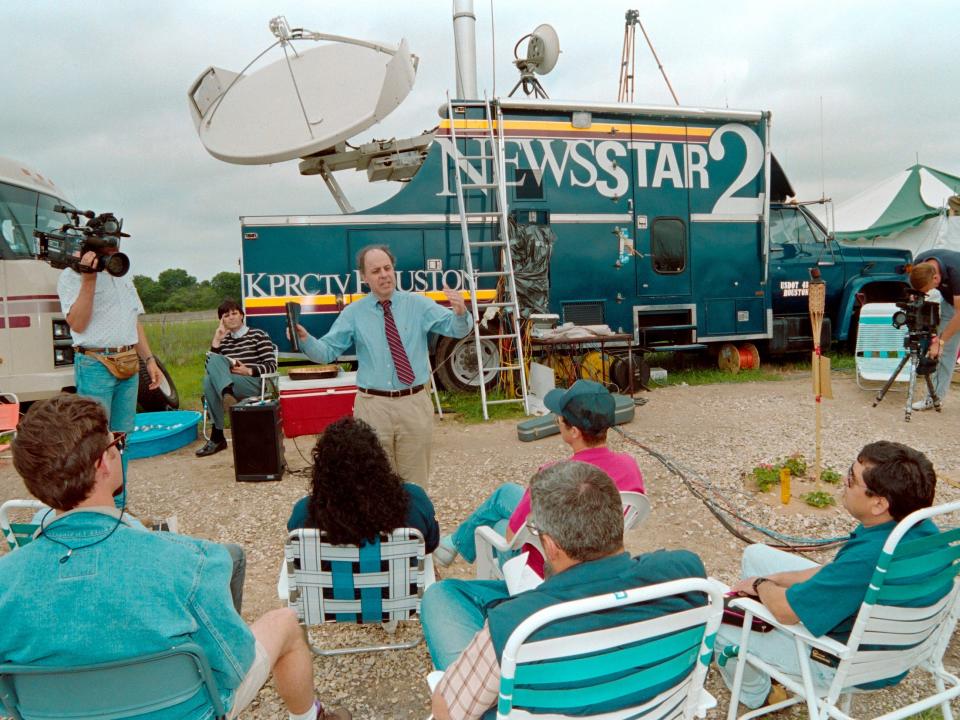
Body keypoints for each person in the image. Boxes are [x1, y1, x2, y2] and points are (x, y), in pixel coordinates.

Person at [0, 394, 350, 720]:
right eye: (115, 444)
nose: (118, 451)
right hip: (187, 712)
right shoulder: (192, 561)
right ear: (101, 465)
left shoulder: (6, 579)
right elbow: (232, 666)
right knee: (286, 623)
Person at [423, 461, 705, 720]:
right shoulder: (685, 573)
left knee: (439, 598)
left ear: (550, 545)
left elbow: (447, 712)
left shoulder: (516, 624)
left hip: (534, 670)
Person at [715, 440, 946, 710]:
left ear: (879, 504)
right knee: (755, 555)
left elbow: (785, 610)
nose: (844, 481)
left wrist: (760, 585)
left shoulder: (867, 558)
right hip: (894, 653)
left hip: (842, 664)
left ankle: (758, 695)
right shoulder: (920, 530)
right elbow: (836, 573)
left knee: (719, 624)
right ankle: (765, 646)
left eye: (851, 478)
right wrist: (780, 579)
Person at [292, 244, 472, 486]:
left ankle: (414, 524)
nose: (384, 274)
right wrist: (305, 340)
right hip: (372, 408)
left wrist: (461, 313)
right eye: (376, 271)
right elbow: (327, 351)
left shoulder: (418, 305)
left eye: (387, 268)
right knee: (376, 483)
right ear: (364, 278)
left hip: (413, 403)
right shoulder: (353, 313)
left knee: (415, 484)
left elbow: (456, 328)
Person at [433, 379, 644, 578]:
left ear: (575, 432)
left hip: (549, 566)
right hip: (601, 554)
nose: (557, 419)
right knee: (506, 493)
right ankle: (452, 543)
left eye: (560, 417)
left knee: (498, 525)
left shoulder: (553, 476)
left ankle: (456, 545)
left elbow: (511, 537)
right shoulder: (629, 466)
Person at [58, 248, 163, 505]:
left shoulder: (123, 275)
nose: (112, 250)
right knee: (95, 439)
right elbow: (78, 323)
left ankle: (119, 506)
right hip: (95, 362)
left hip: (128, 360)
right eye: (105, 246)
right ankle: (98, 505)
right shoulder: (71, 276)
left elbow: (133, 321)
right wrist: (89, 279)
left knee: (121, 438)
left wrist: (149, 359)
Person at [287, 416, 439, 554]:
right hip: (398, 583)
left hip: (333, 584)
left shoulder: (304, 513)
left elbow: (298, 554)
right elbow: (430, 544)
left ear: (322, 470)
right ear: (379, 461)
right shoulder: (415, 502)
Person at [196, 298, 278, 457]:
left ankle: (217, 436)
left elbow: (271, 365)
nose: (231, 317)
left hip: (253, 383)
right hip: (231, 383)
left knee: (210, 381)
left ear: (242, 315)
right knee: (209, 377)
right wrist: (217, 340)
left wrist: (248, 370)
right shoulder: (224, 341)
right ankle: (227, 394)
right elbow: (210, 368)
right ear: (221, 320)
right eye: (226, 315)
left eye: (234, 313)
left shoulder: (258, 335)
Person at [908, 250, 960, 410]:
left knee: (942, 343)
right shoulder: (920, 263)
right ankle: (935, 396)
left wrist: (941, 340)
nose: (929, 293)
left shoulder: (956, 272)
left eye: (929, 289)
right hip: (950, 302)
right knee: (945, 352)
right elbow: (913, 285)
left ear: (936, 278)